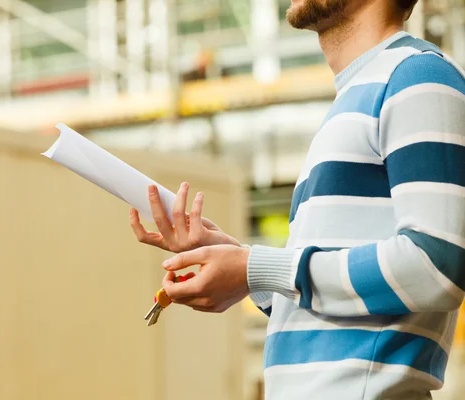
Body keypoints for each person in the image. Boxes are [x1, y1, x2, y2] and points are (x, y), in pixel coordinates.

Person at [130, 0, 465, 399]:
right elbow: (327, 310)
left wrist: (256, 267)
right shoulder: (358, 96)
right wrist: (243, 269)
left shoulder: (418, 76)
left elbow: (436, 267)